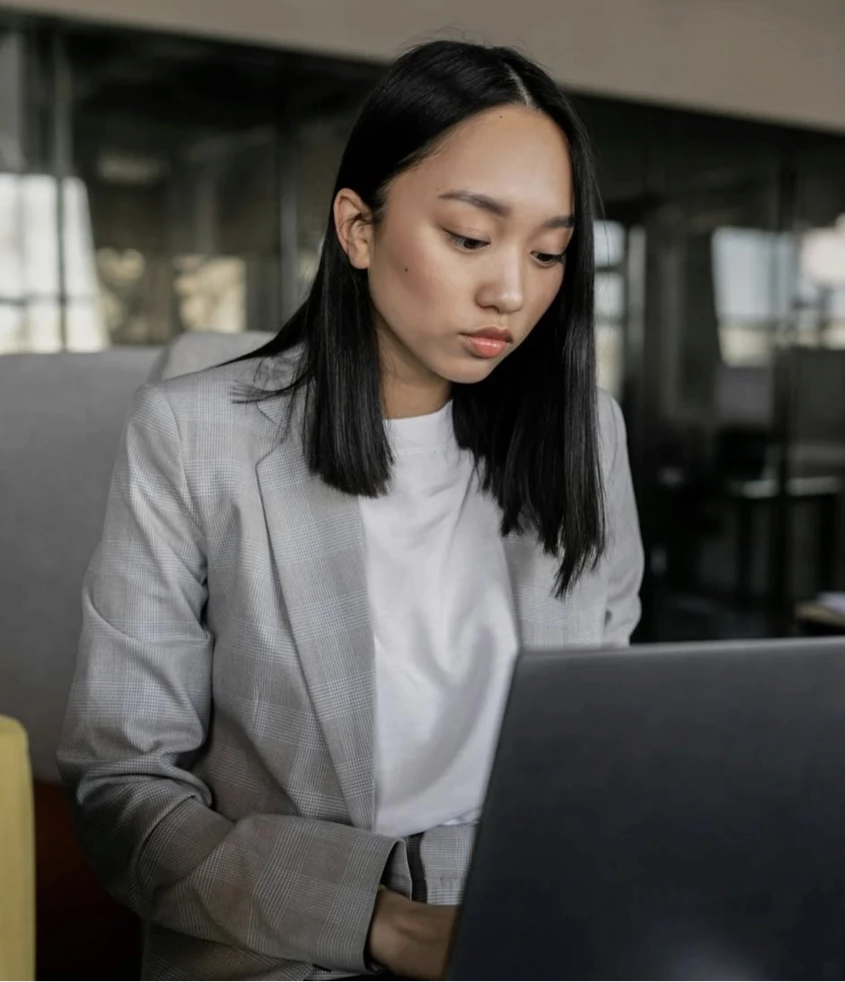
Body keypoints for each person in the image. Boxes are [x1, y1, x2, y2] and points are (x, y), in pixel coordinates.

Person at [57, 39, 643, 982]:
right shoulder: (196, 436)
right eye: (469, 237)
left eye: (549, 253)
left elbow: (601, 744)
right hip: (283, 945)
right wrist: (385, 922)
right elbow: (124, 790)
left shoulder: (585, 435)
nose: (512, 290)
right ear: (358, 228)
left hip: (533, 919)